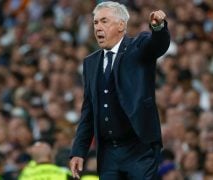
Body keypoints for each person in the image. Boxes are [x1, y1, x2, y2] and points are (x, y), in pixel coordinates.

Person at [69, 1, 170, 180]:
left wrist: (159, 27)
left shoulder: (138, 47)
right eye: (95, 23)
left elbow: (158, 45)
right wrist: (78, 151)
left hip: (139, 149)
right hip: (108, 154)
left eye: (104, 21)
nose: (98, 27)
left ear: (121, 25)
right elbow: (89, 112)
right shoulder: (90, 63)